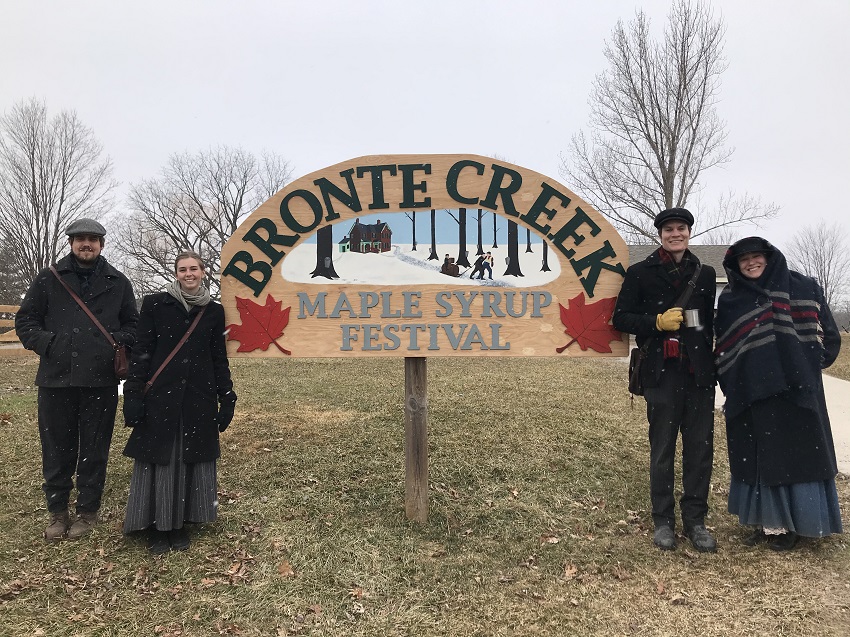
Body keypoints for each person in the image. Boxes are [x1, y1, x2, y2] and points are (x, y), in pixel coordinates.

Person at [714, 237, 843, 551]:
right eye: (744, 260)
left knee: (799, 456)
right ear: (735, 266)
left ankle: (800, 523)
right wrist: (735, 378)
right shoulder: (732, 298)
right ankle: (769, 525)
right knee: (760, 459)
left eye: (756, 257)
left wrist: (808, 364)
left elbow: (829, 336)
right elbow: (724, 347)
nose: (751, 263)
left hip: (797, 392)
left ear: (769, 258)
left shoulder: (803, 288)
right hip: (752, 393)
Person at [15, 218, 139, 541]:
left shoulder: (119, 283)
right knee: (56, 449)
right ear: (70, 243)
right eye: (80, 239)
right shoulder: (49, 279)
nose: (87, 244)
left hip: (101, 381)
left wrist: (113, 341)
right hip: (55, 380)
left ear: (102, 244)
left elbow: (134, 327)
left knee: (95, 448)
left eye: (93, 239)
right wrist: (50, 344)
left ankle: (87, 510)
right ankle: (57, 511)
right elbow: (26, 320)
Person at [612, 208, 717, 552]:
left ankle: (696, 521)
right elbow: (621, 318)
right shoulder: (641, 273)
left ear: (688, 232)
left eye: (681, 228)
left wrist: (693, 327)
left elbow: (705, 325)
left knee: (700, 450)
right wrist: (656, 322)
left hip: (698, 373)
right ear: (660, 234)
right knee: (662, 451)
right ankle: (663, 521)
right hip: (661, 374)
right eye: (669, 229)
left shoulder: (705, 274)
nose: (676, 233)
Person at [121, 251, 237, 554]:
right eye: (183, 269)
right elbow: (142, 350)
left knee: (189, 458)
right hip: (160, 394)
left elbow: (218, 357)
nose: (189, 274)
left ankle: (181, 522)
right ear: (176, 274)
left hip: (197, 396)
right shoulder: (155, 304)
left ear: (202, 272)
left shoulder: (213, 311)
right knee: (161, 459)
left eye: (194, 269)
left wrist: (226, 396)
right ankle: (156, 526)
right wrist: (132, 394)